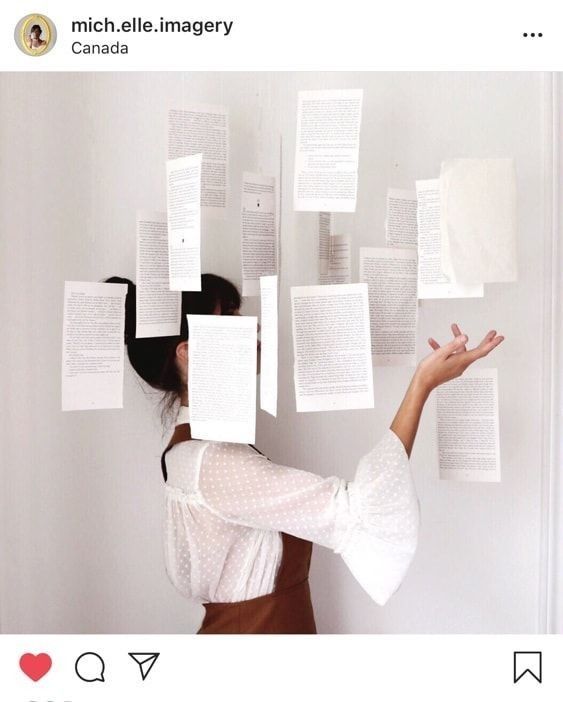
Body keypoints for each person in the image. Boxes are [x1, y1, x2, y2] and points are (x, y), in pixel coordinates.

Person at [106, 273, 504, 634]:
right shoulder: (213, 462)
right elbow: (358, 509)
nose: (253, 325)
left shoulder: (197, 452)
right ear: (189, 352)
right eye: (229, 315)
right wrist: (421, 385)